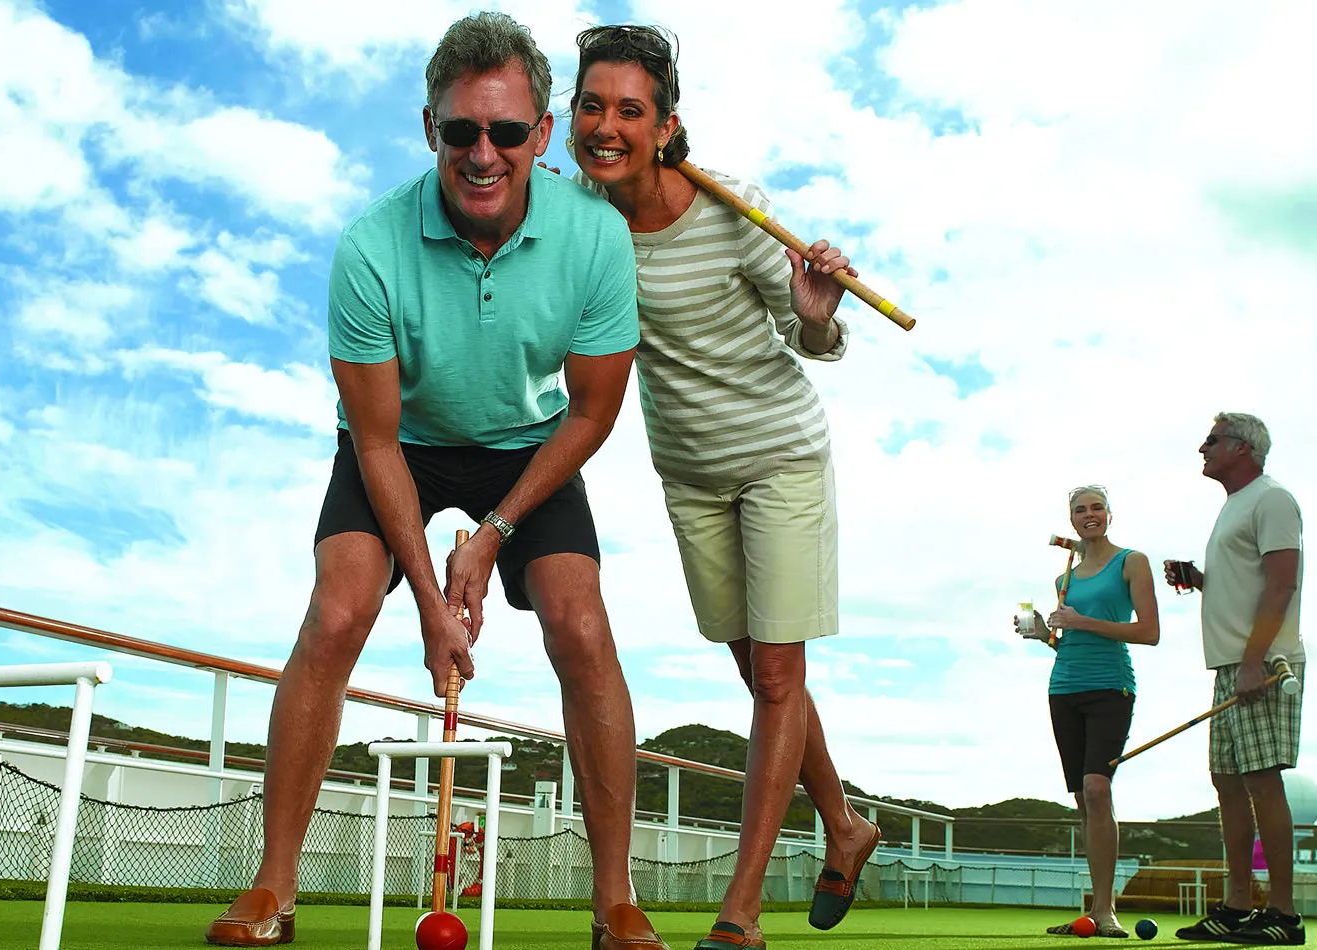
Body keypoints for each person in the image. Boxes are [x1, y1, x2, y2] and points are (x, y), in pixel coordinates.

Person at [205, 13, 671, 949]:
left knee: (580, 623)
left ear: (543, 136)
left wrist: (492, 532)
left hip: (531, 443)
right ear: (431, 130)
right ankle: (272, 887)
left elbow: (591, 415)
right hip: (402, 445)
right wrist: (429, 597)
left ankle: (615, 900)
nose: (484, 153)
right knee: (338, 610)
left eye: (507, 132)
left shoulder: (597, 238)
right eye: (462, 131)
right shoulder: (371, 247)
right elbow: (375, 443)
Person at [557, 23, 880, 949]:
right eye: (592, 106)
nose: (607, 125)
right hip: (690, 474)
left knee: (778, 674)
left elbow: (813, 337)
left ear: (666, 127)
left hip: (779, 456)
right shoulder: (578, 216)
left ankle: (739, 915)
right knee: (755, 667)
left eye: (630, 110)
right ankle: (847, 826)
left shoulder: (732, 209)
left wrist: (817, 315)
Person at [1167, 413, 1307, 945]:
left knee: (1262, 781)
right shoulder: (1233, 506)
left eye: (1212, 440)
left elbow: (1281, 586)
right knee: (1228, 784)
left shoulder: (1272, 499)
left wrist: (1254, 660)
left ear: (1243, 448)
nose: (1202, 448)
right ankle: (1236, 906)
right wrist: (1200, 581)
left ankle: (1285, 916)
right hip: (1234, 664)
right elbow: (1247, 587)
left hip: (1266, 666)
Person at [1018, 485, 1160, 938]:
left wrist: (1081, 621)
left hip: (1111, 687)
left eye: (1097, 507)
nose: (1089, 515)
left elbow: (1149, 632)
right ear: (1073, 520)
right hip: (1063, 688)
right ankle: (1095, 909)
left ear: (1110, 515)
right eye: (1080, 510)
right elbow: (1066, 640)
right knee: (1083, 798)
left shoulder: (1131, 561)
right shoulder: (1064, 578)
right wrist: (1044, 633)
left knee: (1098, 789)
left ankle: (1106, 911)